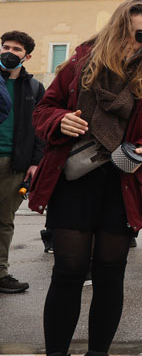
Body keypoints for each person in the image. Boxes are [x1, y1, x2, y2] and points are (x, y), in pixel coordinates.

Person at [29, 0, 142, 356]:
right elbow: (44, 110)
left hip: (124, 180)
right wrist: (59, 120)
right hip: (75, 178)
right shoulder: (80, 64)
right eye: (128, 33)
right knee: (68, 270)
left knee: (110, 273)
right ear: (114, 29)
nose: (134, 42)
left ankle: (97, 353)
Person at [0, 30, 45, 293]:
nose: (9, 52)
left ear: (26, 56)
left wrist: (36, 162)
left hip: (15, 163)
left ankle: (1, 273)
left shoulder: (35, 88)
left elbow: (41, 128)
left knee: (5, 221)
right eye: (6, 46)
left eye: (17, 49)